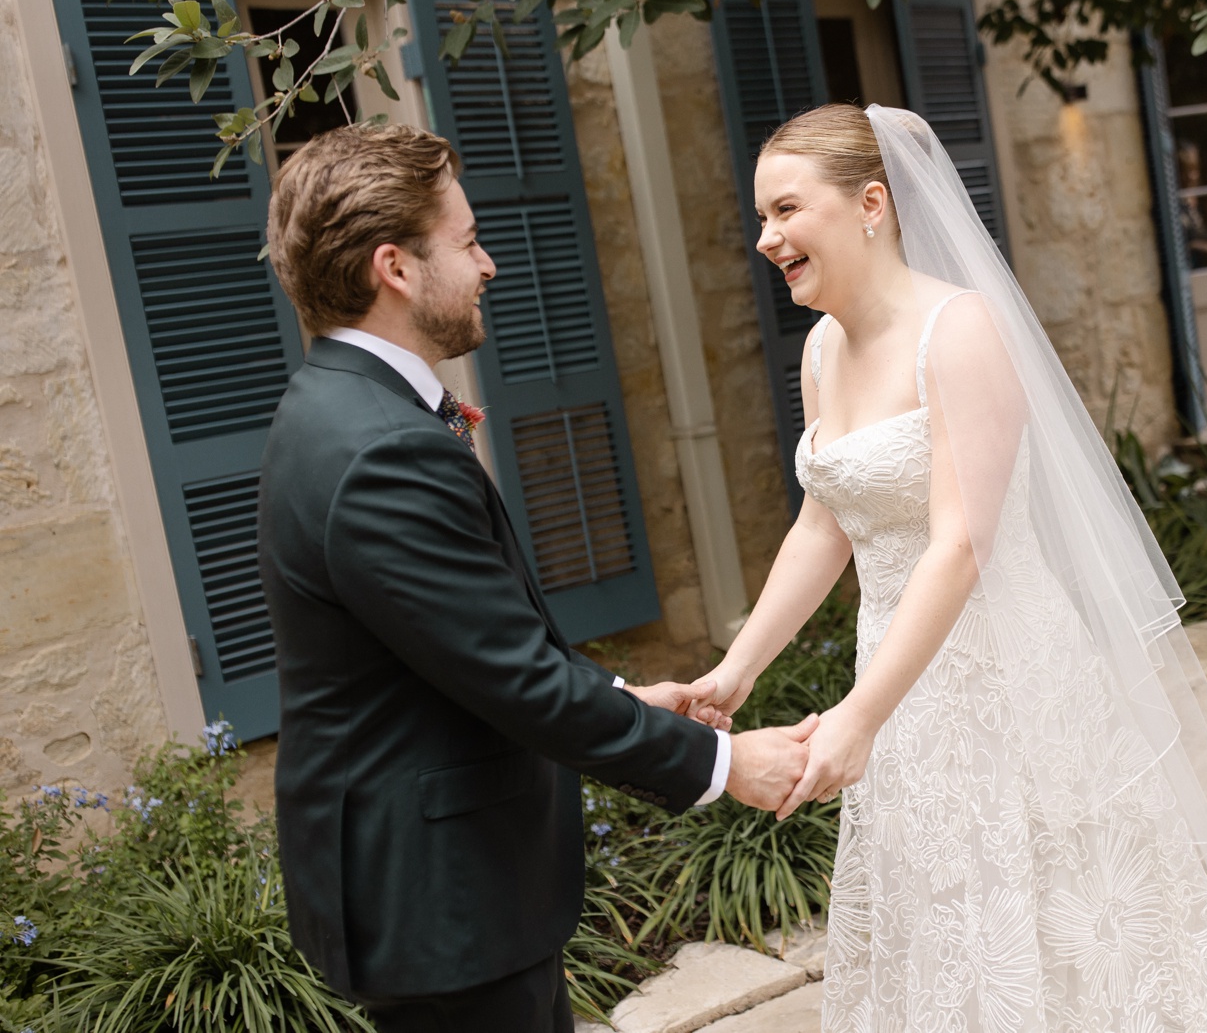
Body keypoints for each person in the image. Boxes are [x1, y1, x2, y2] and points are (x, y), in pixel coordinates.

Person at [691, 104, 1207, 1031]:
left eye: (785, 210)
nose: (766, 237)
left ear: (871, 203)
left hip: (1010, 680)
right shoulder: (822, 350)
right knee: (950, 915)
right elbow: (824, 525)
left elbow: (961, 544)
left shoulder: (962, 329)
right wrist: (734, 673)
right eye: (763, 216)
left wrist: (861, 715)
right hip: (904, 684)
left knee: (1064, 922)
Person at [257, 123, 817, 1033]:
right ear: (393, 268)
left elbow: (461, 651)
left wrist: (625, 695)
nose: (488, 265)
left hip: (434, 887)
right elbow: (516, 680)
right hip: (444, 898)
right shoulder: (380, 450)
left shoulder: (336, 408)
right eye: (469, 241)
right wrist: (727, 762)